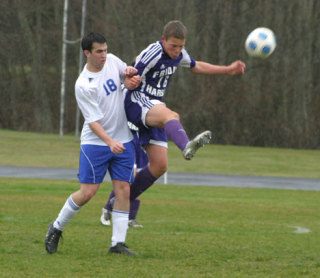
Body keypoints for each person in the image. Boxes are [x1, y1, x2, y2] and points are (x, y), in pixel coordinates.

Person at [125, 20, 246, 202]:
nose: (176, 51)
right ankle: (186, 145)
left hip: (153, 107)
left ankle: (115, 203)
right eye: (173, 46)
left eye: (181, 46)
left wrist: (227, 70)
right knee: (172, 116)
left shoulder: (179, 54)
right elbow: (129, 73)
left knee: (160, 166)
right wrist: (130, 80)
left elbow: (196, 66)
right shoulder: (153, 52)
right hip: (135, 101)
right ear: (163, 39)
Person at [44, 32, 141, 256]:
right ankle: (56, 227)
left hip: (123, 139)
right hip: (96, 143)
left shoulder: (113, 61)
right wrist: (109, 142)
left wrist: (130, 78)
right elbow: (94, 122)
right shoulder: (83, 84)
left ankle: (117, 244)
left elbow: (126, 78)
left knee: (123, 190)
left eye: (105, 50)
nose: (104, 55)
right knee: (88, 192)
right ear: (87, 53)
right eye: (99, 51)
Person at [100, 123, 147, 228]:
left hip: (142, 141)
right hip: (128, 140)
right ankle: (108, 209)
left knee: (138, 181)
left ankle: (130, 218)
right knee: (129, 180)